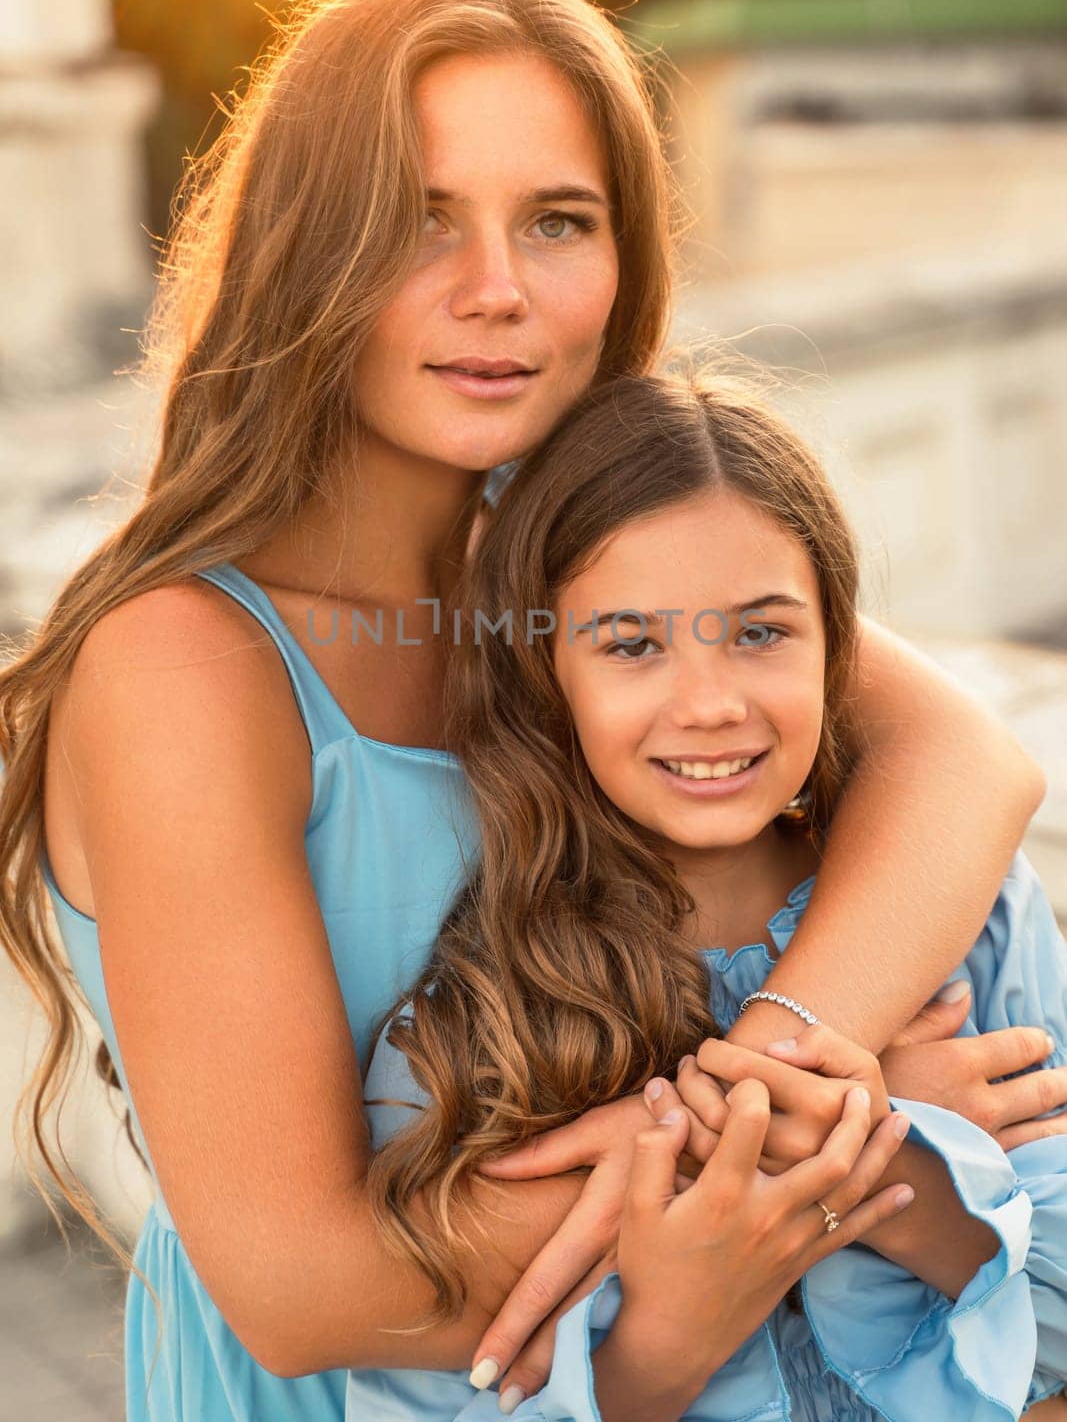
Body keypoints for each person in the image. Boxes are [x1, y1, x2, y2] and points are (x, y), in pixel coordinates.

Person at [0, 0, 1050, 1422]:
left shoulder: (574, 577)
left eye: (558, 221)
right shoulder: (188, 664)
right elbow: (306, 1290)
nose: (496, 289)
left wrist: (772, 1070)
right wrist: (857, 1148)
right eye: (419, 222)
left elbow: (967, 765)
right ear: (304, 249)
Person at [352, 367, 1067, 1421]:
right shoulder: (461, 1041)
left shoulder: (971, 915)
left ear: (836, 646)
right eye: (630, 643)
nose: (707, 703)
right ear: (545, 672)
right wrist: (671, 1332)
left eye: (759, 630)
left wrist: (891, 1161)